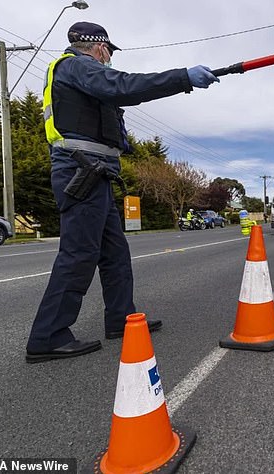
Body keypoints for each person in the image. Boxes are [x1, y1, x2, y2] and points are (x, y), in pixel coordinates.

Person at [26, 22, 220, 363]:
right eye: (110, 51)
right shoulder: (77, 65)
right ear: (99, 47)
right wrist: (183, 78)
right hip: (81, 171)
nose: (111, 57)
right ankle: (48, 335)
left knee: (114, 253)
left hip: (94, 173)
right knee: (78, 254)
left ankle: (121, 319)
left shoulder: (76, 71)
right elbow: (124, 86)